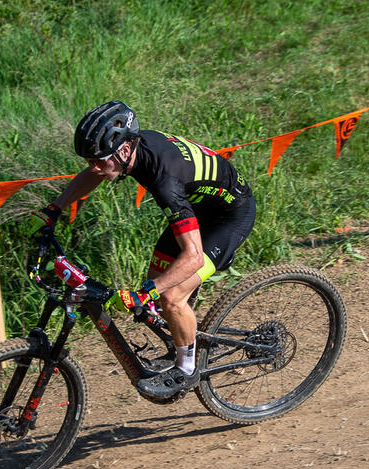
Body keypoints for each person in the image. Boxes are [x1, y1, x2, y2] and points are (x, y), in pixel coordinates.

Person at [28, 100, 256, 400]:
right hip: (197, 206)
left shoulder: (163, 180)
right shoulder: (131, 149)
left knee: (169, 295)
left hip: (229, 216)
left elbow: (193, 256)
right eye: (89, 160)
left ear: (123, 151)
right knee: (156, 286)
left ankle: (187, 369)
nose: (94, 168)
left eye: (99, 160)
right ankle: (183, 336)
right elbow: (94, 174)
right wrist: (54, 209)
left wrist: (145, 293)